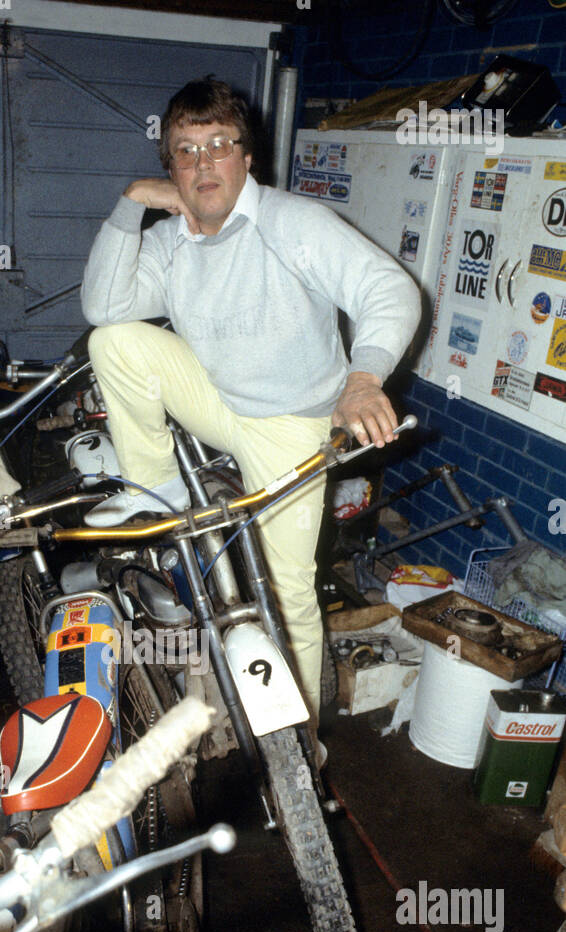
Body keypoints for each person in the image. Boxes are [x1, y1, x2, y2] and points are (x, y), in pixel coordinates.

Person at [80, 77, 420, 723]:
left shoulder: (292, 223)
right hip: (220, 397)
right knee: (115, 339)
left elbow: (389, 289)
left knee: (287, 591)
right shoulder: (172, 240)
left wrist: (365, 378)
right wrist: (129, 204)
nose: (205, 163)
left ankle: (303, 740)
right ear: (170, 169)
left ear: (247, 156)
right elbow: (103, 306)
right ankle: (156, 486)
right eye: (186, 150)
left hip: (290, 424)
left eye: (219, 144)